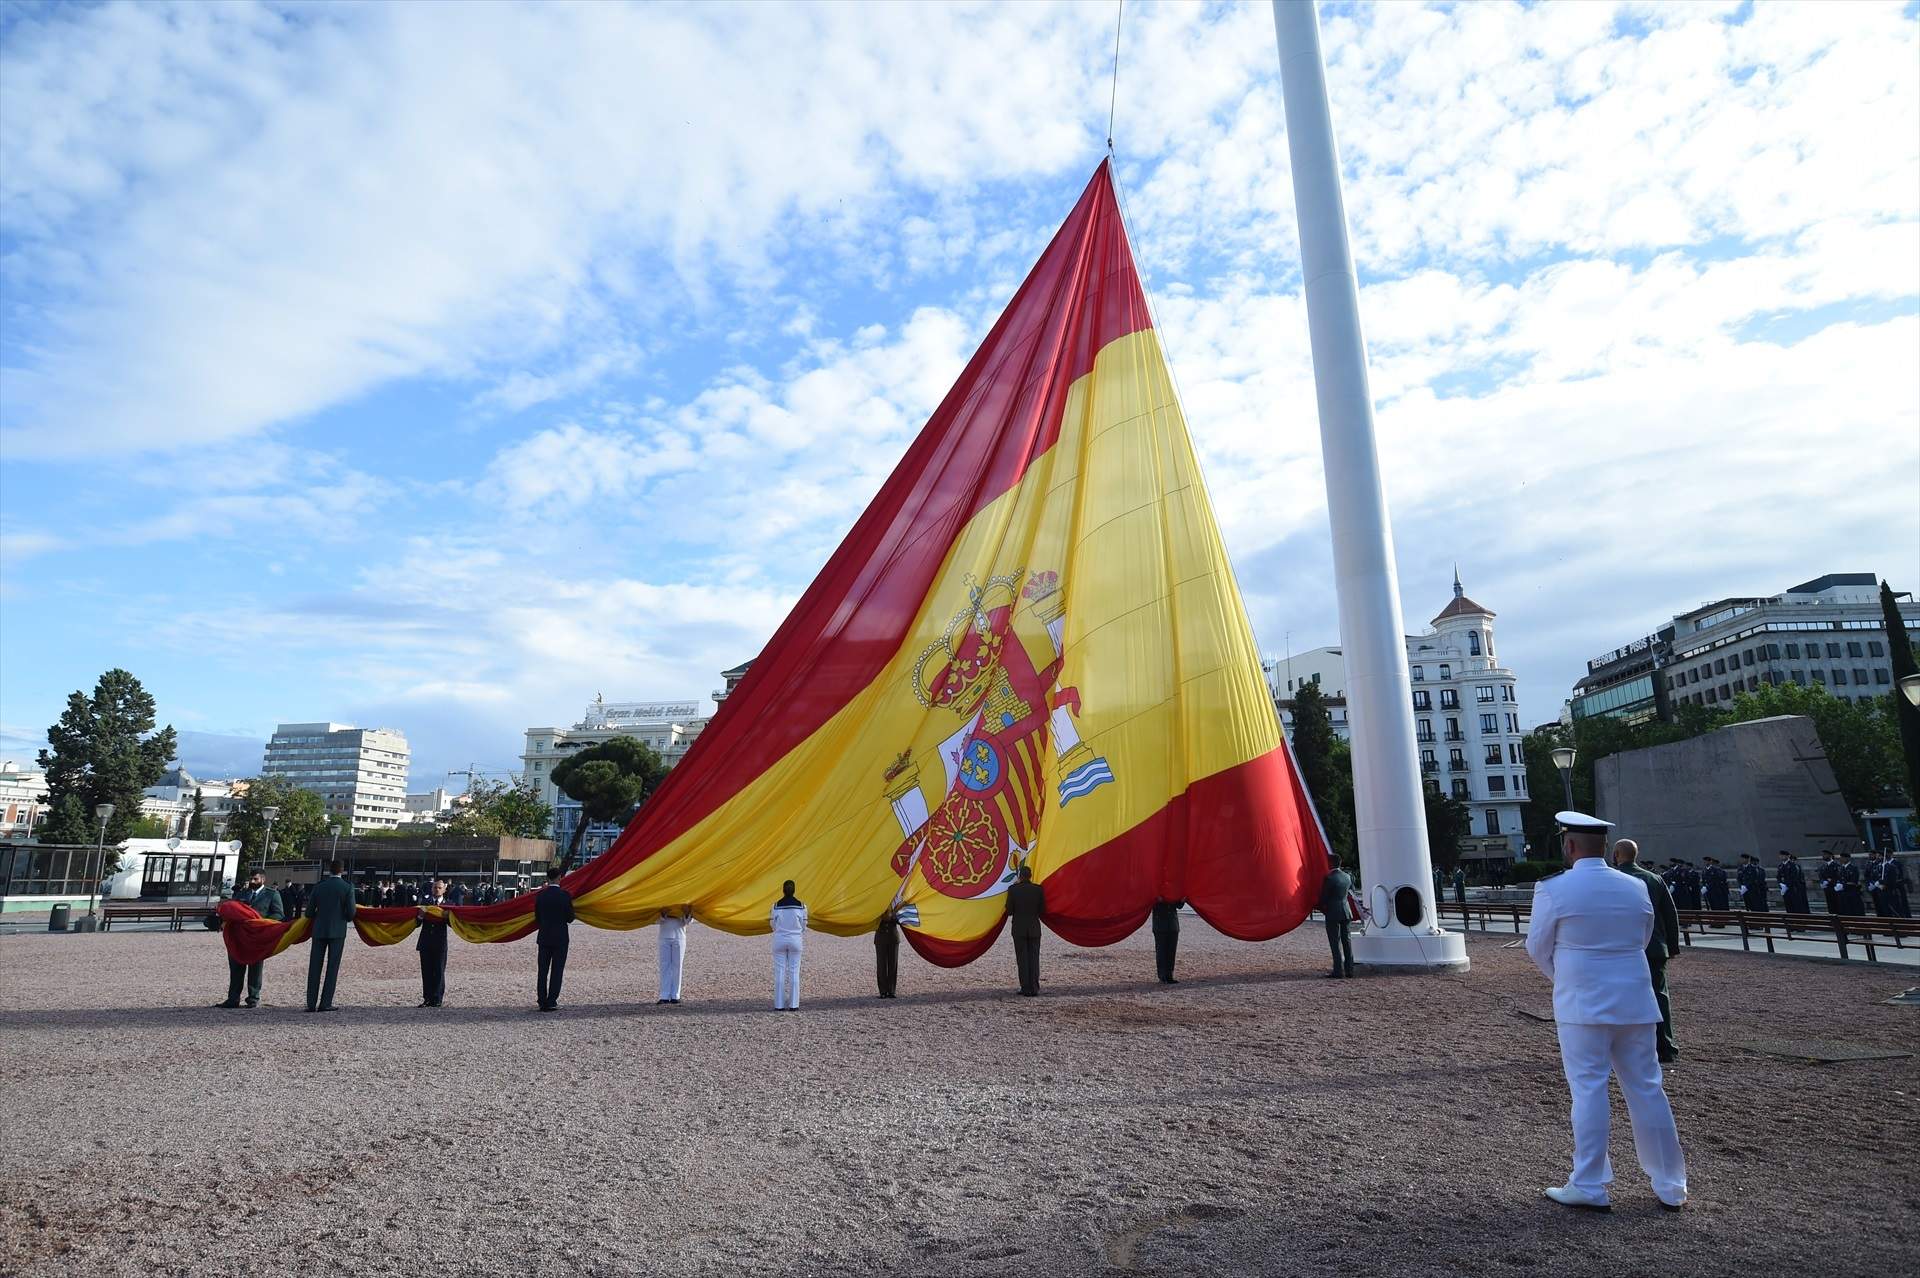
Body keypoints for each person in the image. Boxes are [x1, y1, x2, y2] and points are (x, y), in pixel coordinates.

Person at [1528, 812, 1688, 1213]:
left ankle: (1589, 1184)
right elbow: (1643, 938)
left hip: (1581, 1004)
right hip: (1635, 999)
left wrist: (1566, 977)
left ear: (1569, 845)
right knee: (1647, 1088)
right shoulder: (1636, 886)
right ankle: (1671, 1184)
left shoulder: (1553, 888)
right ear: (1605, 847)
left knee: (1588, 1090)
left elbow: (1537, 947)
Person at [1611, 838, 1681, 1064]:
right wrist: (1672, 946)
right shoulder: (1654, 878)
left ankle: (1628, 1047)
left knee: (1621, 998)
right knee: (1659, 997)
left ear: (1616, 855)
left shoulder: (1613, 879)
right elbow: (1670, 915)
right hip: (1654, 948)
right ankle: (1665, 1046)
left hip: (1622, 950)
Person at [217, 872, 284, 1009]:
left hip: (256, 937)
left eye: (255, 879)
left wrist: (261, 922)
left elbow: (279, 914)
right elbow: (232, 910)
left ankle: (253, 998)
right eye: (251, 879)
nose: (252, 881)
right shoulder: (242, 893)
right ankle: (233, 998)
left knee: (255, 968)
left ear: (263, 879)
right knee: (236, 967)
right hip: (238, 937)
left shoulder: (272, 894)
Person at [304, 860, 357, 1013]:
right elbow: (351, 913)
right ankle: (325, 1003)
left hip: (319, 930)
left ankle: (311, 1003)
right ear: (342, 871)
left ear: (329, 870)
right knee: (332, 968)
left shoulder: (319, 886)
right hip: (337, 930)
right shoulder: (347, 887)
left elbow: (308, 912)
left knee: (314, 967)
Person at [534, 865, 574, 1011]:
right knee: (557, 971)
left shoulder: (540, 896)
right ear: (559, 878)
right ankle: (551, 1001)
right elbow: (570, 918)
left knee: (542, 971)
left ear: (548, 878)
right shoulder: (565, 896)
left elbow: (537, 918)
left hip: (544, 937)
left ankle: (542, 1000)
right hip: (560, 938)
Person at [1005, 864, 1046, 997]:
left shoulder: (1013, 890)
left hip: (1019, 929)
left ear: (1020, 876)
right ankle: (1034, 987)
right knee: (1034, 958)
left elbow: (1009, 911)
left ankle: (1025, 987)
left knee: (1022, 959)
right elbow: (1042, 910)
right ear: (1030, 876)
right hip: (1034, 928)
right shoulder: (1038, 890)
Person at [769, 881, 807, 1010]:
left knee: (779, 972)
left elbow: (772, 925)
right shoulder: (802, 906)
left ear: (783, 890)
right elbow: (804, 926)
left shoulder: (775, 906)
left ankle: (779, 1005)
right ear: (794, 890)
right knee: (794, 972)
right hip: (795, 940)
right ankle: (794, 1005)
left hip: (779, 939)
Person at [1320, 853, 1355, 979]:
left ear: (1330, 863)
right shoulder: (1348, 876)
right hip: (1346, 911)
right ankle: (1349, 970)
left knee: (1335, 942)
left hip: (1333, 912)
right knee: (1347, 941)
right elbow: (1352, 892)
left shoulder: (1329, 878)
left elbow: (1324, 898)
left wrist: (1320, 906)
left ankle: (1338, 970)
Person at [416, 879, 449, 1007]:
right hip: (425, 942)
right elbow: (417, 923)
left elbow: (454, 924)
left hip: (440, 943)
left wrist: (447, 917)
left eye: (439, 888)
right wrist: (420, 916)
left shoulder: (449, 905)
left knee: (439, 971)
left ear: (444, 889)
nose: (437, 890)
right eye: (435, 887)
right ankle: (427, 999)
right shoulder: (425, 903)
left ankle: (437, 999)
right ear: (431, 889)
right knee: (426, 972)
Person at [656, 904, 692, 1005]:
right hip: (664, 936)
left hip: (679, 936)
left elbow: (688, 922)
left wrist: (687, 912)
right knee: (664, 966)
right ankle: (664, 996)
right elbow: (655, 920)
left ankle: (675, 995)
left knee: (678, 966)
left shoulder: (684, 902)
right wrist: (663, 913)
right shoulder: (661, 901)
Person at [1151, 898, 1183, 984]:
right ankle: (1162, 976)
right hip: (1160, 926)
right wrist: (1158, 900)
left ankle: (1169, 976)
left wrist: (1182, 900)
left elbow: (1179, 906)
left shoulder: (1173, 892)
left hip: (1173, 926)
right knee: (1161, 952)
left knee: (1171, 952)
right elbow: (1149, 903)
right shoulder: (1155, 892)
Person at [873, 905, 900, 998]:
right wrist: (883, 916)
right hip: (881, 939)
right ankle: (883, 991)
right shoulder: (877, 905)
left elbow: (900, 920)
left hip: (893, 938)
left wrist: (892, 915)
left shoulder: (895, 905)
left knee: (893, 965)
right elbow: (873, 919)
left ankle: (891, 991)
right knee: (881, 965)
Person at [1777, 851, 1809, 915]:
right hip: (1784, 889)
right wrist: (1780, 884)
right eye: (1780, 855)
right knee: (1788, 905)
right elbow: (1778, 877)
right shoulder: (1780, 866)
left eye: (1783, 855)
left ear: (1787, 856)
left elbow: (1794, 877)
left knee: (1795, 906)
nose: (1781, 857)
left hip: (1792, 888)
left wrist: (1787, 885)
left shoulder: (1792, 865)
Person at [1882, 850, 1911, 918]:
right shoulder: (1884, 864)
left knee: (1902, 903)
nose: (1886, 855)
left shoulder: (1897, 863)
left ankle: (1906, 917)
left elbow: (1902, 874)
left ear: (1891, 854)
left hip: (1898, 886)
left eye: (1887, 853)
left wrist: (1898, 881)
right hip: (1889, 887)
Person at [1836, 850, 1865, 916]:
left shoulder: (1853, 868)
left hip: (1851, 892)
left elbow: (1853, 881)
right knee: (1845, 910)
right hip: (1843, 893)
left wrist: (1843, 885)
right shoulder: (1841, 868)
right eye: (1841, 858)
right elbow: (1839, 878)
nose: (1841, 859)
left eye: (1843, 858)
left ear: (1847, 858)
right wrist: (1838, 884)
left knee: (1854, 910)